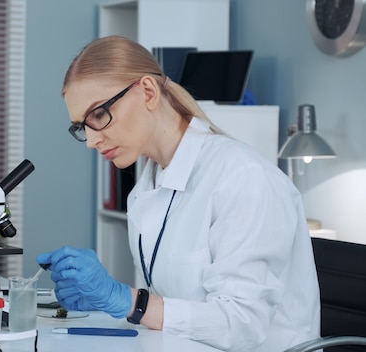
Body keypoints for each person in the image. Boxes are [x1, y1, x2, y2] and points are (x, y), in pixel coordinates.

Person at [36, 35, 320, 352]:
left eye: (99, 115)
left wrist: (128, 300)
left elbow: (241, 324)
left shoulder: (242, 177)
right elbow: (168, 311)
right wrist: (106, 301)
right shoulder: (145, 189)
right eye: (81, 127)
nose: (90, 140)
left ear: (147, 91)